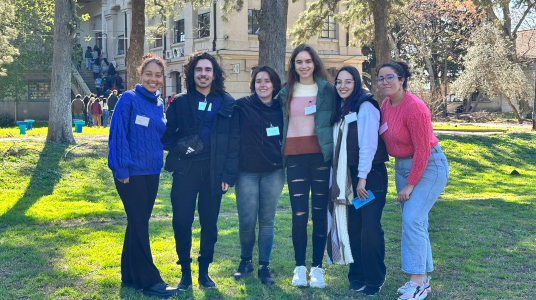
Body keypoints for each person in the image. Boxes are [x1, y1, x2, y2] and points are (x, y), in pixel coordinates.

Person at [161, 51, 239, 290]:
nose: (203, 74)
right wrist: (181, 147)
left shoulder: (227, 102)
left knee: (209, 224)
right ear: (191, 73)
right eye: (199, 70)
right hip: (185, 171)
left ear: (214, 74)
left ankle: (204, 272)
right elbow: (167, 137)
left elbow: (234, 142)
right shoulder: (180, 102)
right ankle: (185, 272)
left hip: (213, 172)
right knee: (182, 222)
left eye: (208, 70)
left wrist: (228, 175)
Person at [107, 53, 179, 298]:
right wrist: (121, 169)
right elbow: (118, 135)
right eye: (149, 74)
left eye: (158, 75)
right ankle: (149, 282)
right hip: (131, 174)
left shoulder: (159, 104)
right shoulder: (128, 99)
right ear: (140, 74)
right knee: (139, 225)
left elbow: (160, 136)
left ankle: (129, 276)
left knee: (137, 223)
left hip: (152, 172)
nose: (154, 79)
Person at [377, 62, 449, 300]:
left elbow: (423, 151)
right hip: (403, 167)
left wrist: (410, 184)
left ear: (402, 79)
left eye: (390, 77)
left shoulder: (415, 108)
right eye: (380, 78)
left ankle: (416, 283)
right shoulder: (386, 104)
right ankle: (423, 280)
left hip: (428, 166)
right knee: (417, 223)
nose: (385, 82)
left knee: (412, 220)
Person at [327, 66, 389, 296]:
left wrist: (362, 179)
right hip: (348, 175)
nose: (342, 86)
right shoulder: (341, 106)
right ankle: (357, 275)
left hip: (370, 175)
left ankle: (375, 279)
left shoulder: (365, 106)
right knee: (354, 227)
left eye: (348, 82)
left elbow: (368, 146)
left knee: (370, 228)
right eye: (339, 82)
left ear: (356, 84)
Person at [276, 44, 334, 288]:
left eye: (308, 61)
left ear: (315, 63)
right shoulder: (285, 91)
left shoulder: (327, 90)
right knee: (299, 215)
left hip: (320, 158)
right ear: (293, 65)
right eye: (299, 62)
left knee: (320, 214)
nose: (304, 66)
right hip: (295, 159)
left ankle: (318, 268)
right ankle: (300, 267)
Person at [233, 66, 284, 285]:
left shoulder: (282, 108)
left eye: (267, 81)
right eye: (258, 81)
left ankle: (264, 266)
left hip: (274, 172)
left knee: (267, 221)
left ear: (274, 85)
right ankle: (246, 262)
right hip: (246, 173)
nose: (262, 85)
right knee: (246, 221)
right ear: (252, 85)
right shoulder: (241, 106)